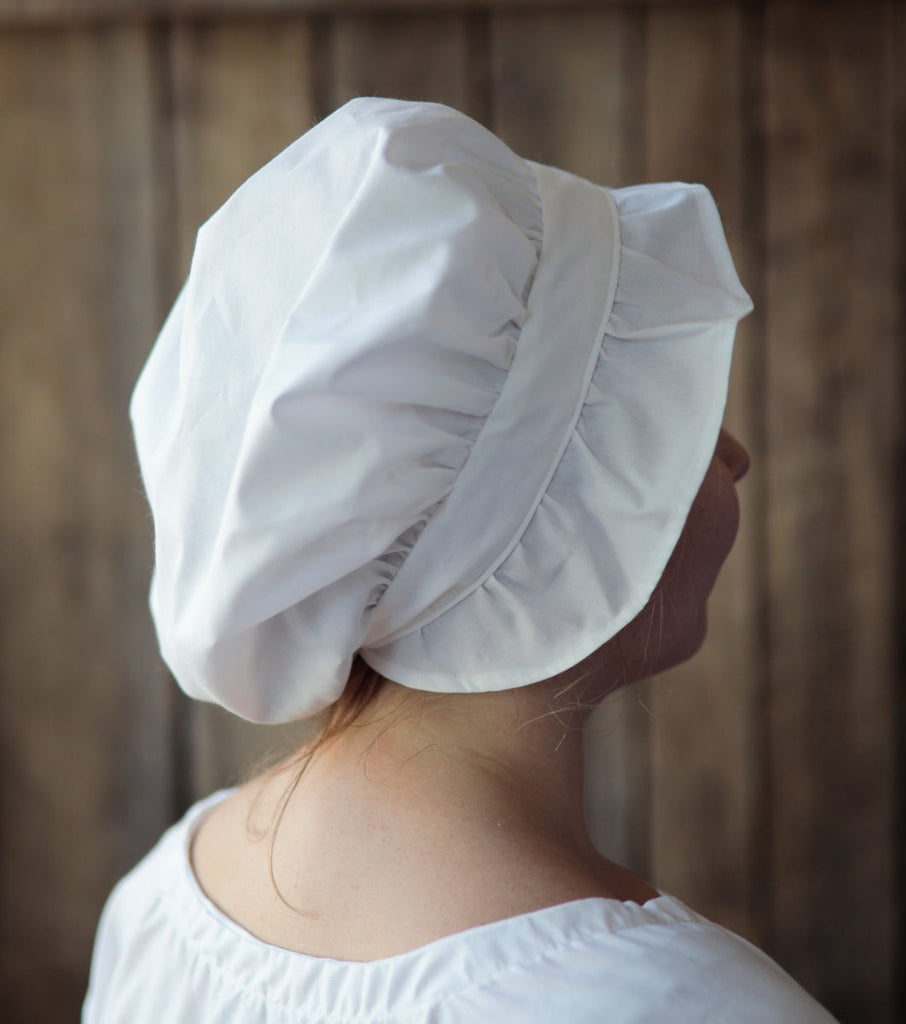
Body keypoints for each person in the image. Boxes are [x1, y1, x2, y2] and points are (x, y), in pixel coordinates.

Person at [83, 98, 838, 1022]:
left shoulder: (164, 904)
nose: (732, 455)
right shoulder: (686, 1005)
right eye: (663, 421)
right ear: (559, 530)